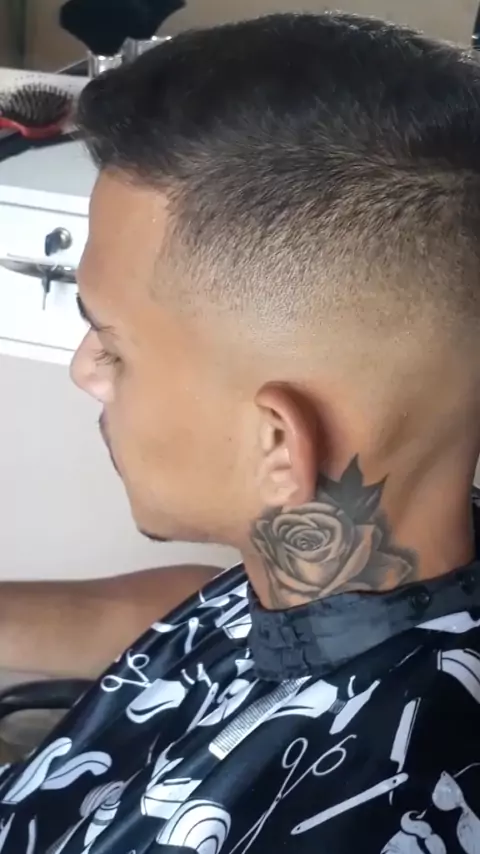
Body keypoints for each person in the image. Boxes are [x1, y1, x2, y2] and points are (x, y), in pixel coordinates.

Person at [1, 10, 480, 853]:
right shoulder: (380, 561)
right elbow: (217, 616)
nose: (86, 371)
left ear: (277, 445)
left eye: (112, 344)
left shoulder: (354, 818)